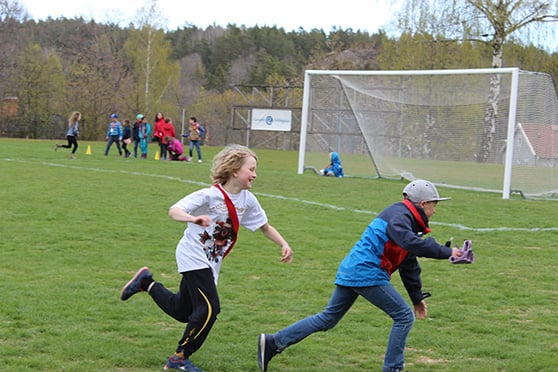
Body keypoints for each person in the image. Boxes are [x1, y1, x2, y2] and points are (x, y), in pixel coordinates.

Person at [258, 179, 464, 372]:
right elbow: (411, 243)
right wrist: (448, 252)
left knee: (328, 319)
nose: (435, 210)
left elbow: (409, 264)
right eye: (434, 205)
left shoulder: (408, 222)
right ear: (423, 203)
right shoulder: (400, 215)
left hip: (354, 269)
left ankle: (273, 342)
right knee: (403, 317)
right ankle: (393, 368)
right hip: (367, 271)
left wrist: (417, 297)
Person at [120, 144, 294, 372]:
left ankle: (146, 283)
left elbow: (264, 226)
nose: (255, 174)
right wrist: (193, 219)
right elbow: (174, 210)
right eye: (251, 169)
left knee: (183, 311)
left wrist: (283, 244)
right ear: (234, 171)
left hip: (211, 262)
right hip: (192, 254)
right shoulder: (209, 195)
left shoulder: (248, 200)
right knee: (211, 308)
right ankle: (179, 358)